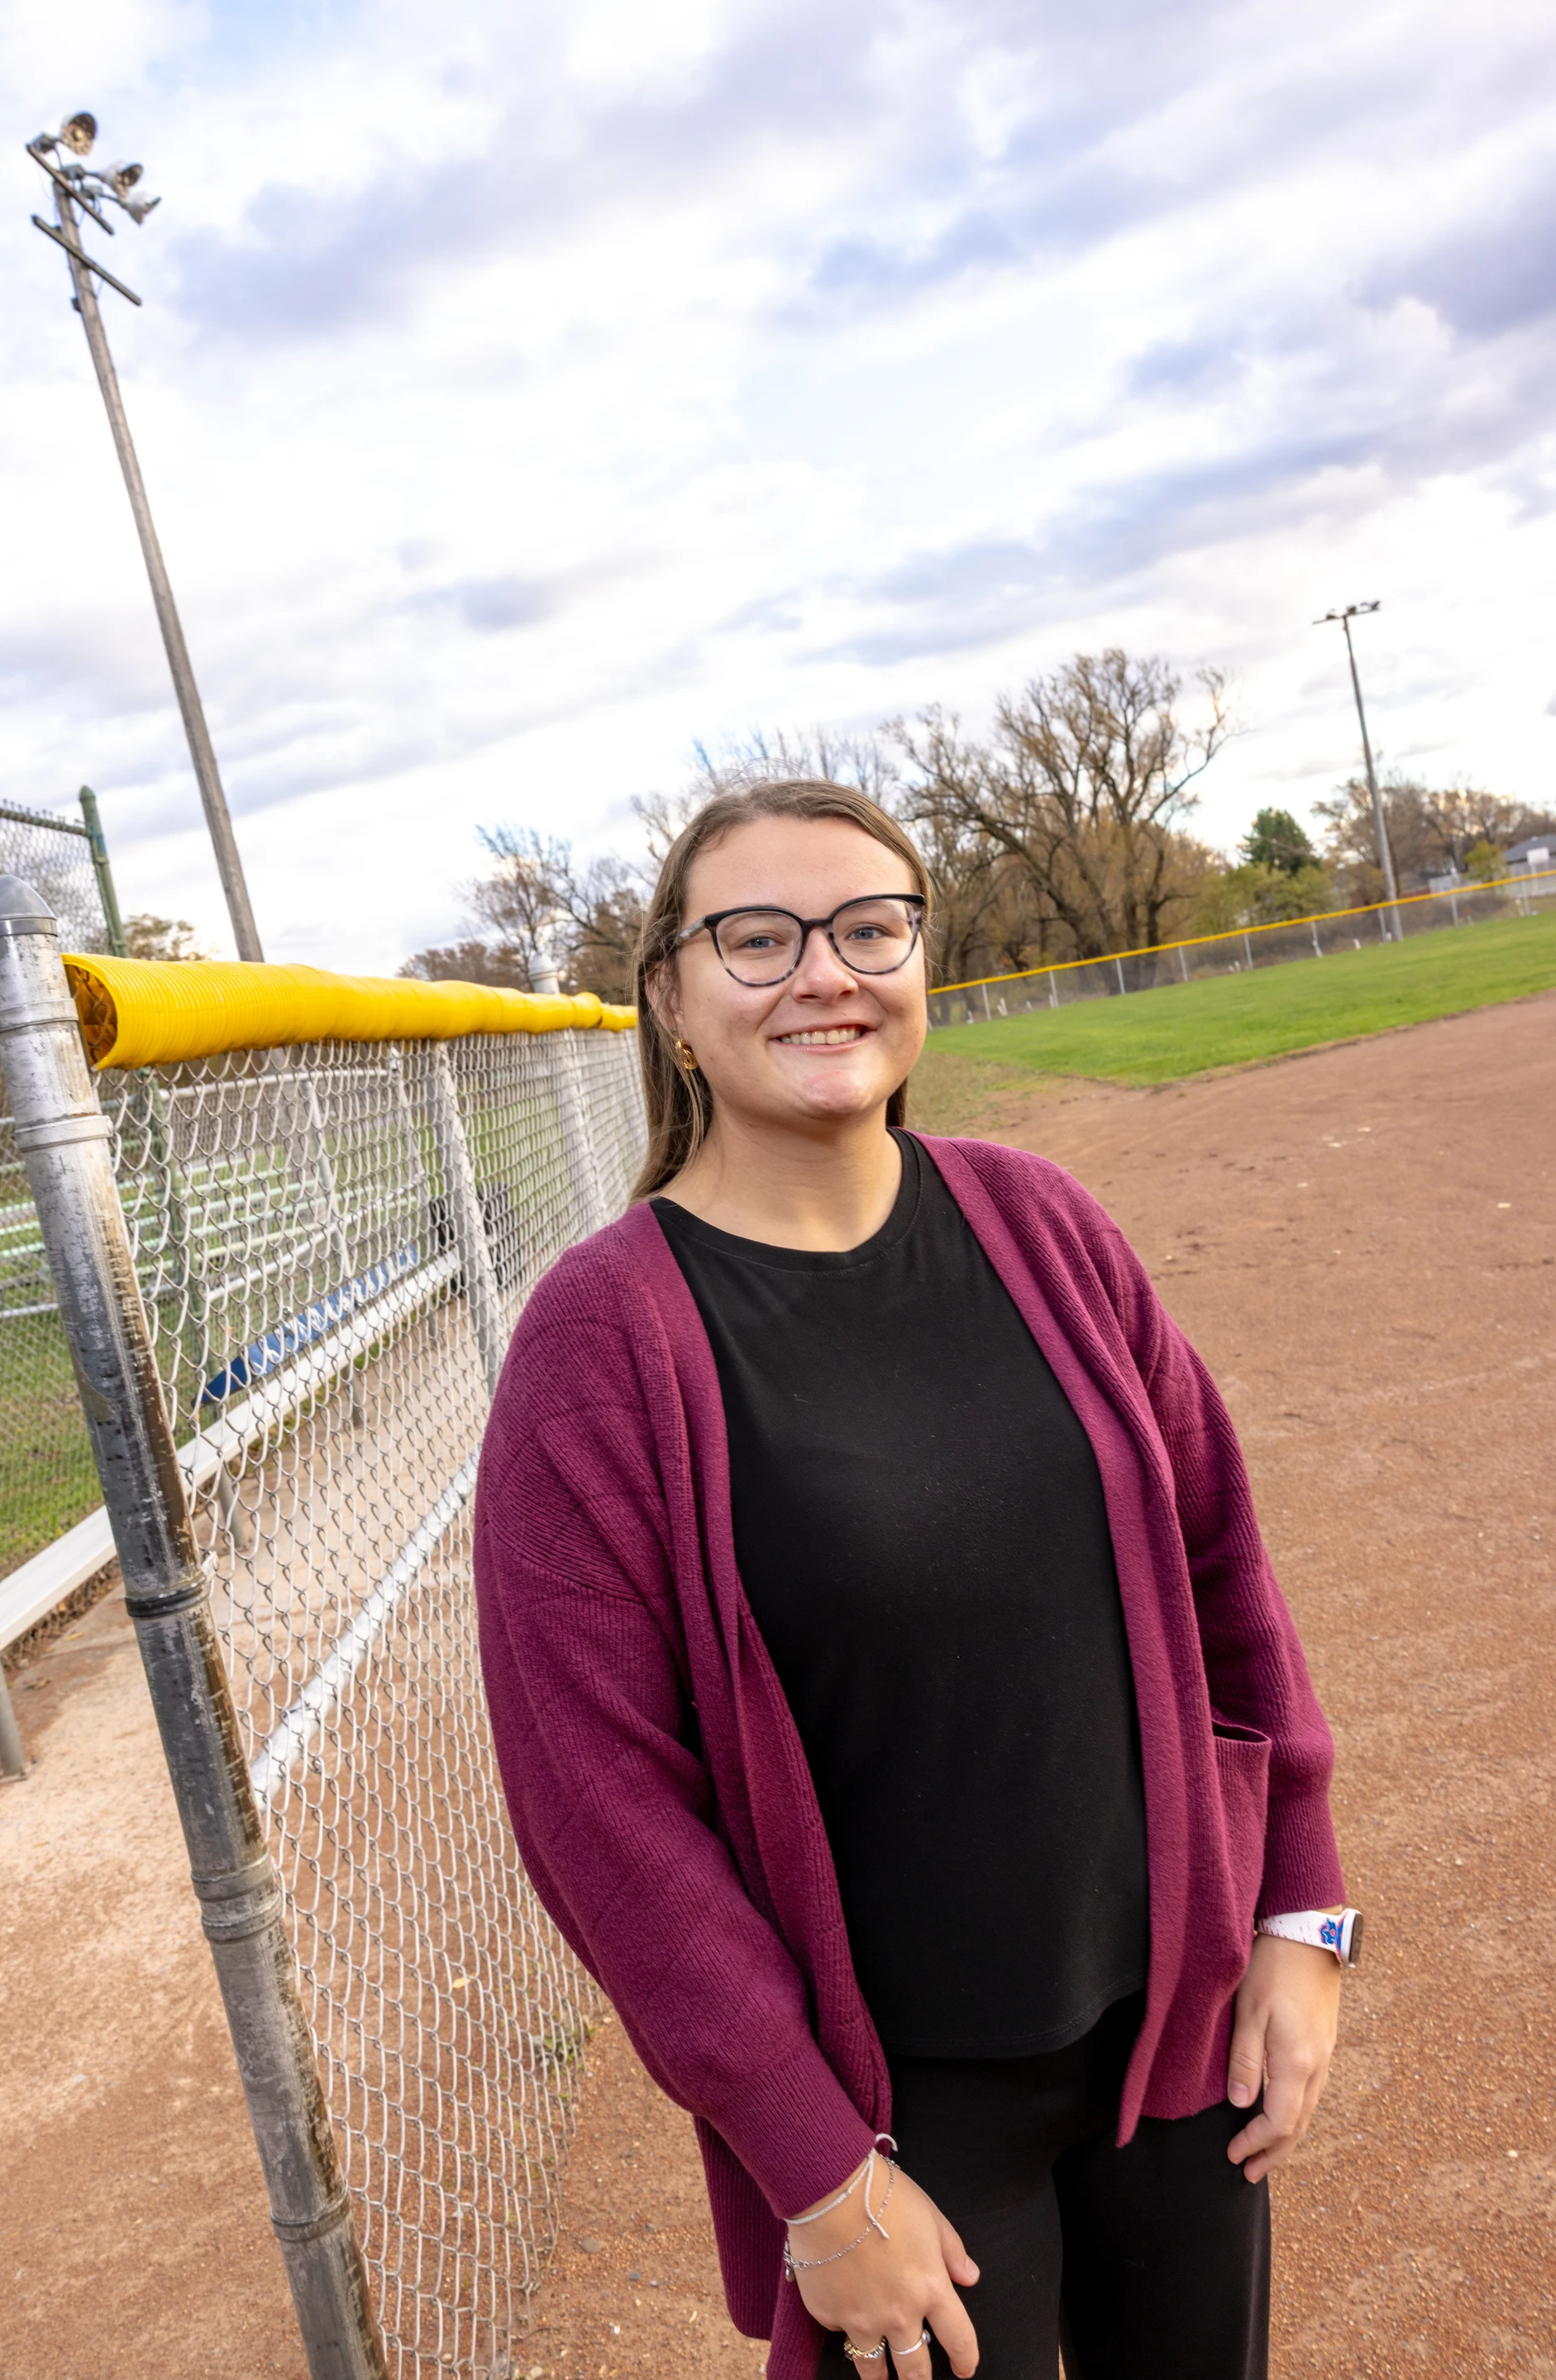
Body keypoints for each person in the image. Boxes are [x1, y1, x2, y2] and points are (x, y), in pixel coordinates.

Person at [474, 780, 1353, 2380]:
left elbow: (1222, 1562)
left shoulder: (1042, 1222)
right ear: (669, 997)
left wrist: (1304, 1912)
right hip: (898, 2124)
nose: (827, 972)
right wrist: (811, 2169)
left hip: (1180, 2032)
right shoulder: (603, 1341)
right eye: (759, 938)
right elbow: (600, 1806)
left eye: (871, 927)